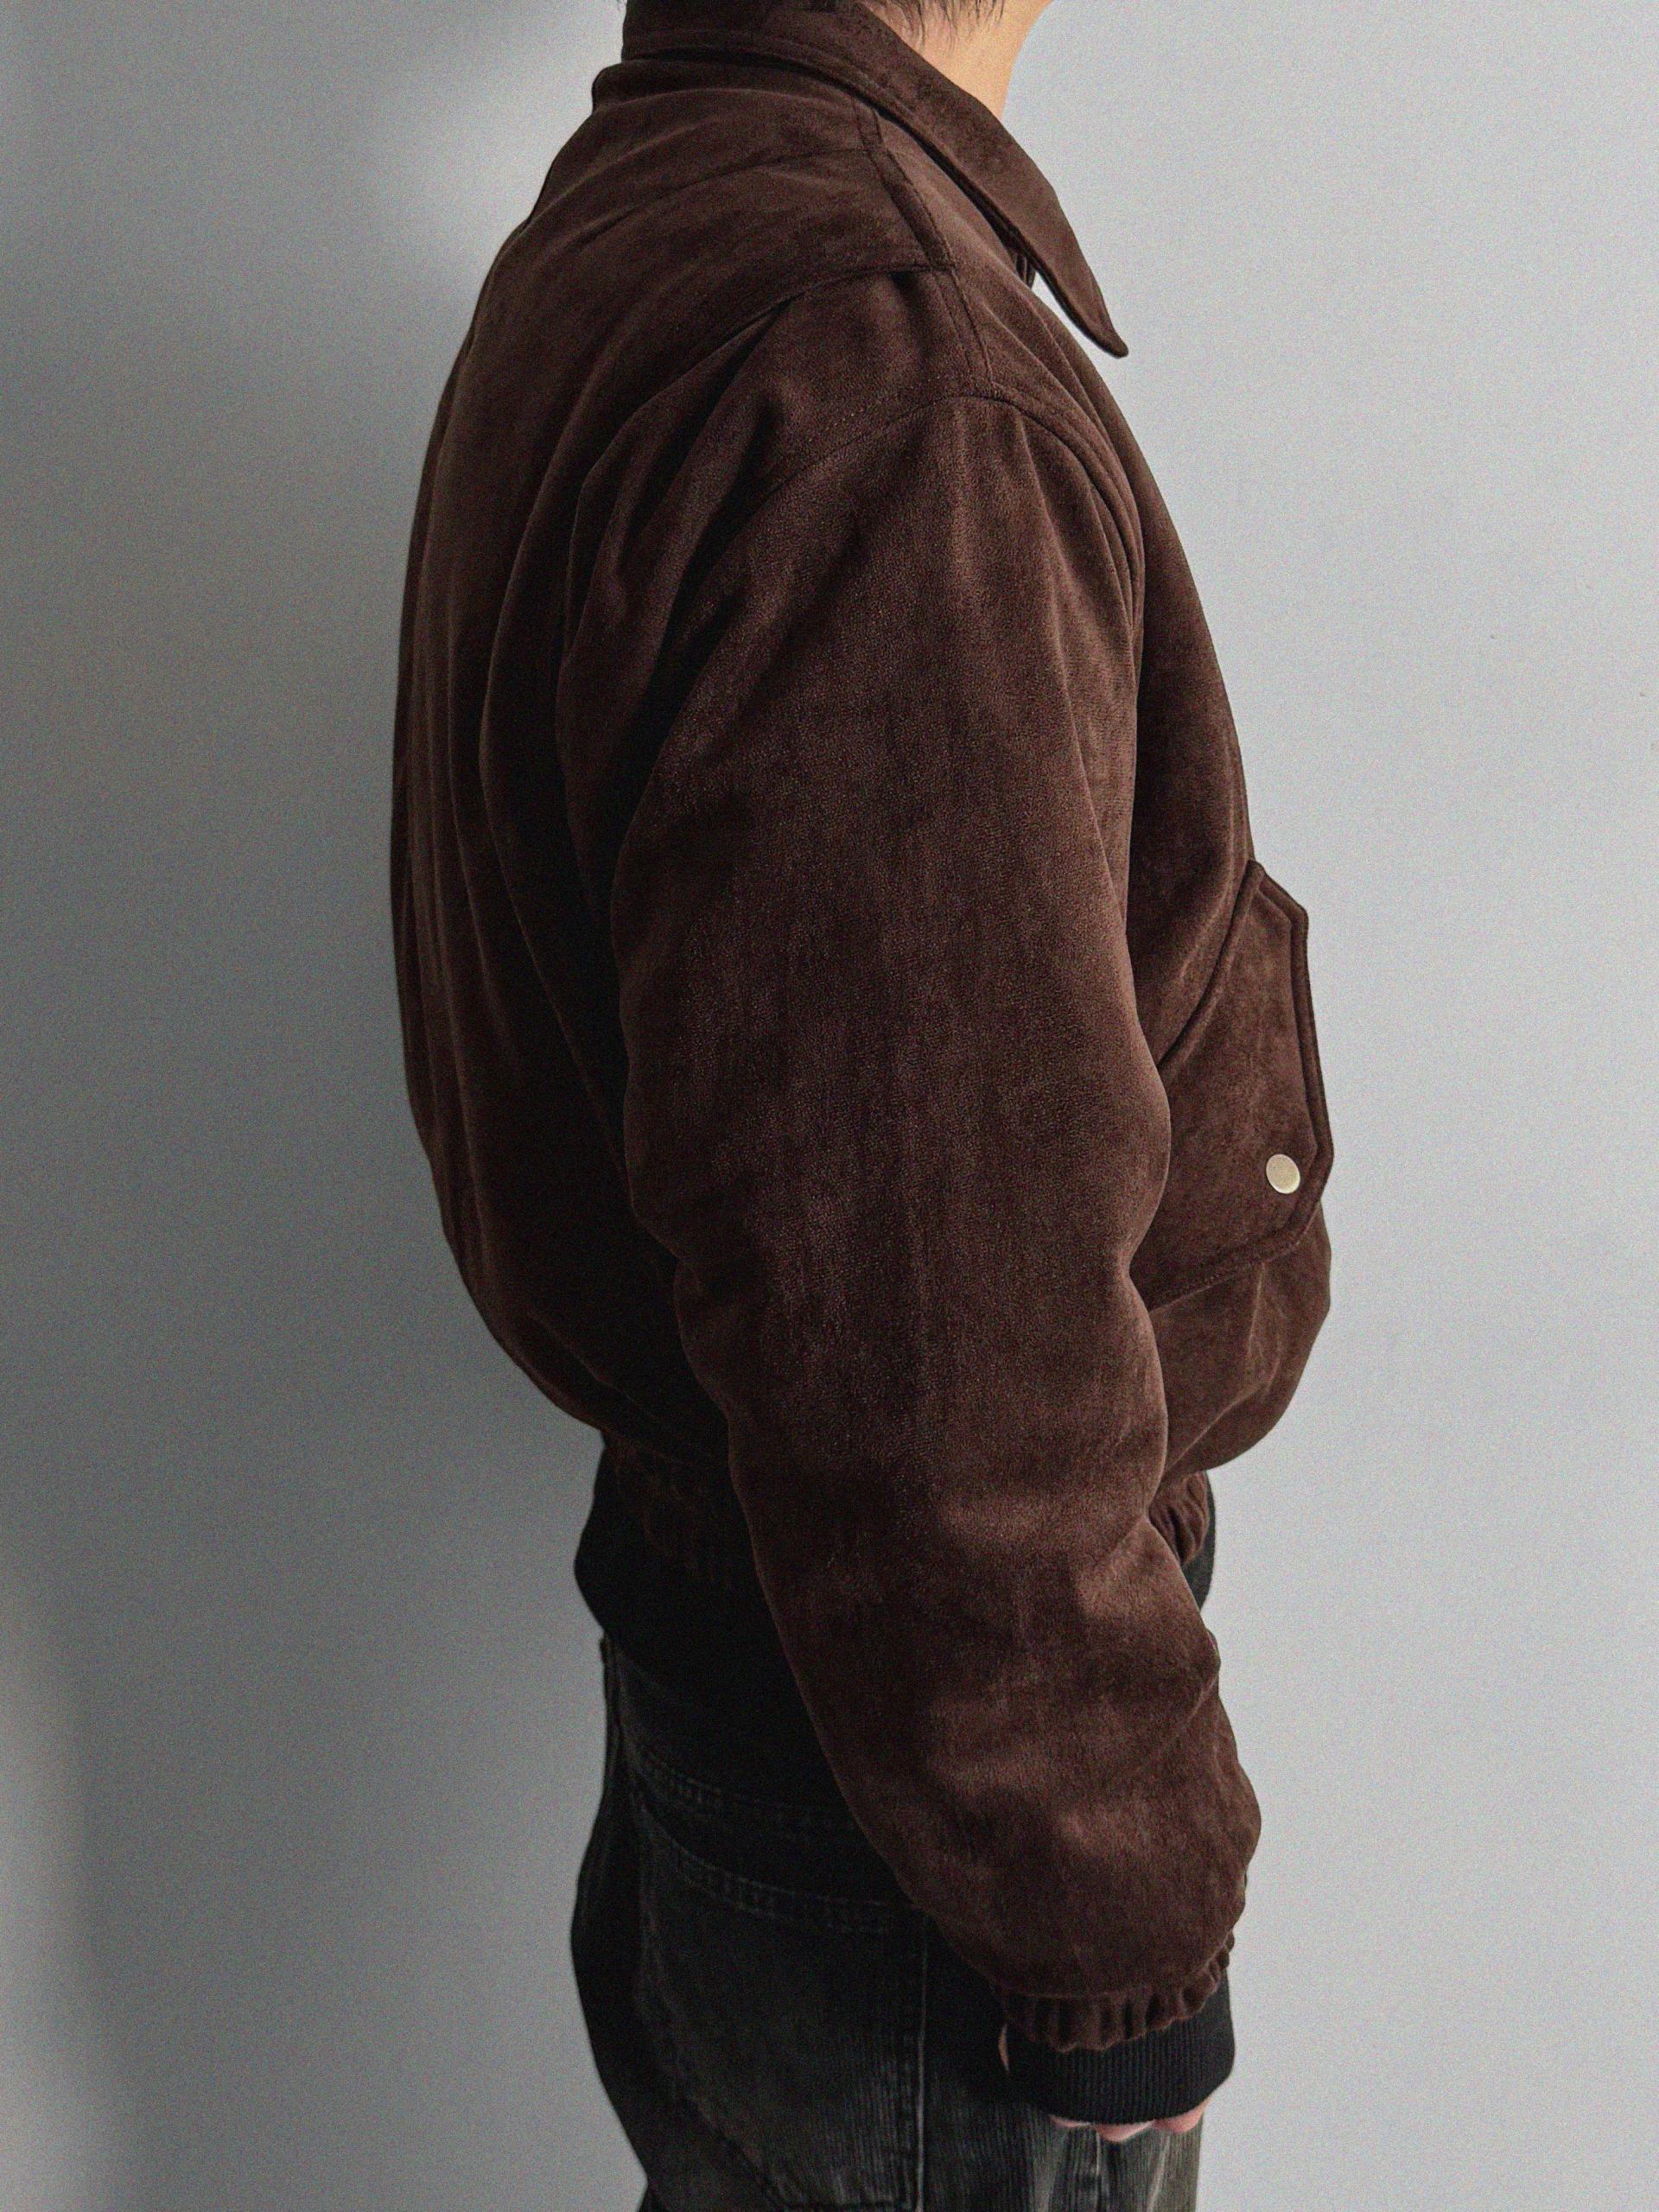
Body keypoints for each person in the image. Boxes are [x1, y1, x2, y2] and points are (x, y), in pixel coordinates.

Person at [391, 0, 1334, 2202]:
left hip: (783, 1675)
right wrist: (1114, 1920)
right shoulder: (886, 382)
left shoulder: (657, 213)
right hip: (925, 1799)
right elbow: (937, 1339)